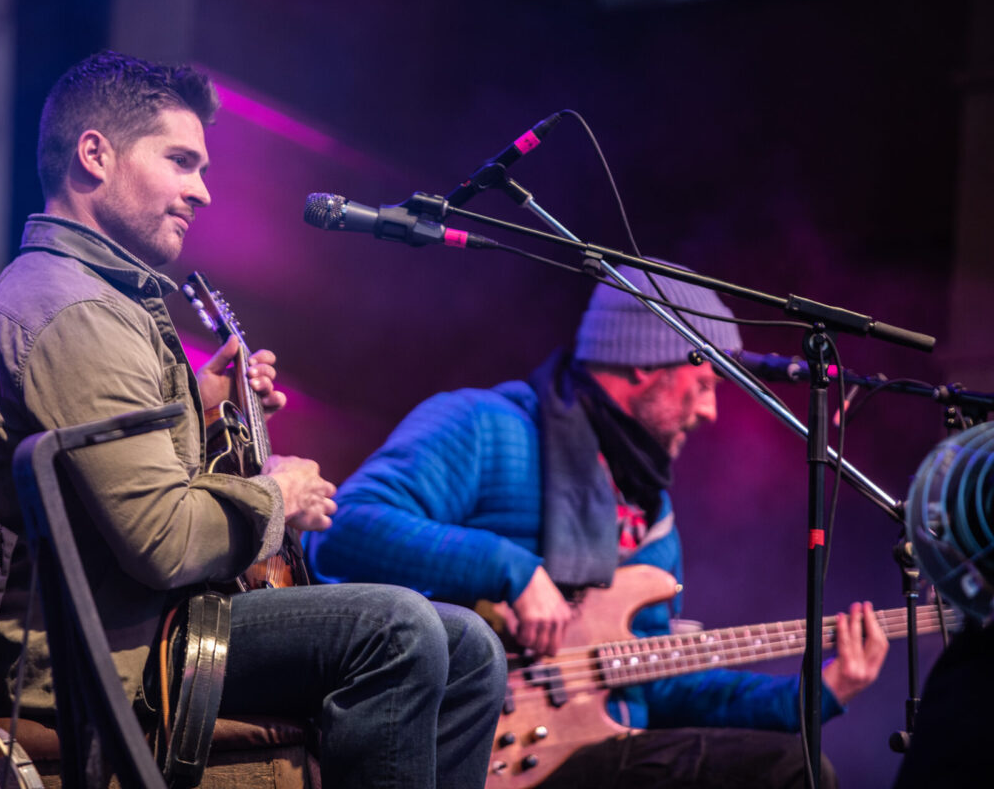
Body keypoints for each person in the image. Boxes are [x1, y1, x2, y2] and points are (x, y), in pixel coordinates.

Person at [0, 50, 505, 789]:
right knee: (398, 629)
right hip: (114, 650)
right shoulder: (75, 312)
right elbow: (166, 543)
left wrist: (199, 408)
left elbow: (115, 481)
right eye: (181, 162)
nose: (201, 192)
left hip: (156, 622)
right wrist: (277, 494)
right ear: (94, 155)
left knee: (470, 647)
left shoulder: (97, 298)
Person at [306, 265, 890, 788]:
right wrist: (512, 569)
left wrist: (815, 695)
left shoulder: (650, 512)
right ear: (648, 361)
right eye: (706, 381)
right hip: (465, 747)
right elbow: (342, 529)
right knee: (783, 773)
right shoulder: (485, 426)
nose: (711, 410)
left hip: (592, 750)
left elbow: (654, 680)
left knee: (796, 763)